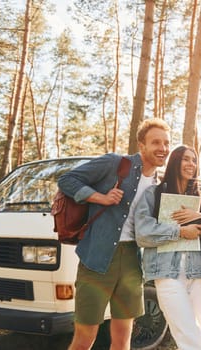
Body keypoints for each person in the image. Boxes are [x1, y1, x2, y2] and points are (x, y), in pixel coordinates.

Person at [58, 118, 171, 350]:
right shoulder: (116, 163)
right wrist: (101, 198)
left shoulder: (160, 184)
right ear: (141, 145)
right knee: (85, 338)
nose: (163, 148)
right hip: (96, 259)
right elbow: (66, 180)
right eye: (156, 142)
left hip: (132, 261)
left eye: (166, 143)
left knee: (122, 339)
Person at [134, 145, 201, 350]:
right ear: (175, 161)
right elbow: (142, 233)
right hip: (167, 274)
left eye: (194, 160)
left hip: (198, 274)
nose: (191, 164)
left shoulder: (200, 200)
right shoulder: (154, 194)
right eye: (186, 159)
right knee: (187, 334)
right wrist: (179, 231)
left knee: (196, 334)